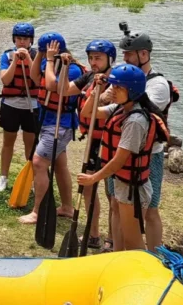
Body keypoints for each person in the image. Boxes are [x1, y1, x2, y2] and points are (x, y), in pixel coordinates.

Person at [77, 64, 169, 251]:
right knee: (122, 239)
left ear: (132, 90)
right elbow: (88, 113)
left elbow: (119, 160)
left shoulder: (135, 120)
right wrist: (96, 91)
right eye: (113, 86)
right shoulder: (121, 108)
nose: (113, 90)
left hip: (133, 190)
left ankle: (140, 275)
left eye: (119, 87)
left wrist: (93, 178)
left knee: (132, 242)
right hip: (123, 184)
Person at [19, 33, 81, 225]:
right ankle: (67, 207)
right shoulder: (48, 63)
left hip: (60, 124)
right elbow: (35, 78)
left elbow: (54, 86)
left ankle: (38, 212)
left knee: (38, 162)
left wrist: (50, 60)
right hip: (48, 121)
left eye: (48, 51)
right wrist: (39, 55)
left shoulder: (72, 69)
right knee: (60, 165)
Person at [119, 27, 172, 251]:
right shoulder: (127, 77)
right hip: (124, 149)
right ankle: (118, 251)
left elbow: (137, 108)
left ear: (143, 55)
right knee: (120, 204)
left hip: (150, 155)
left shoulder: (158, 85)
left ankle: (155, 255)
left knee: (150, 210)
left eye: (129, 54)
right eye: (123, 54)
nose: (124, 58)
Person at [71, 39, 117, 251]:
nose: (93, 62)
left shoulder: (118, 80)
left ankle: (113, 238)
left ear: (110, 59)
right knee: (88, 186)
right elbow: (63, 90)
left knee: (112, 192)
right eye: (90, 58)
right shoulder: (90, 78)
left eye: (98, 58)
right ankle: (93, 233)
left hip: (111, 141)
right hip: (92, 139)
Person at [0, 23, 40, 193]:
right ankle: (3, 176)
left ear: (30, 41)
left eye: (25, 39)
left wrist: (28, 59)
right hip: (11, 105)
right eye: (19, 39)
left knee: (31, 144)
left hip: (32, 105)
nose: (22, 42)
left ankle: (33, 178)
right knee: (8, 142)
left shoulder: (36, 57)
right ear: (14, 39)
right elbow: (5, 80)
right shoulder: (7, 56)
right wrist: (15, 61)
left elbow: (37, 81)